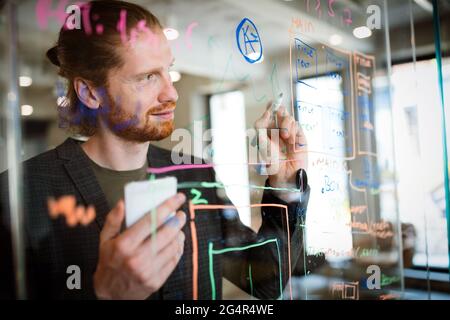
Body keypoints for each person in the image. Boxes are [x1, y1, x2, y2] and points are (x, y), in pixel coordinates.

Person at [0, 0, 310, 300]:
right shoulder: (19, 192)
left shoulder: (197, 175)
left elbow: (264, 280)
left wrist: (285, 188)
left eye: (167, 71)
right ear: (91, 93)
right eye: (148, 77)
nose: (171, 92)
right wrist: (103, 294)